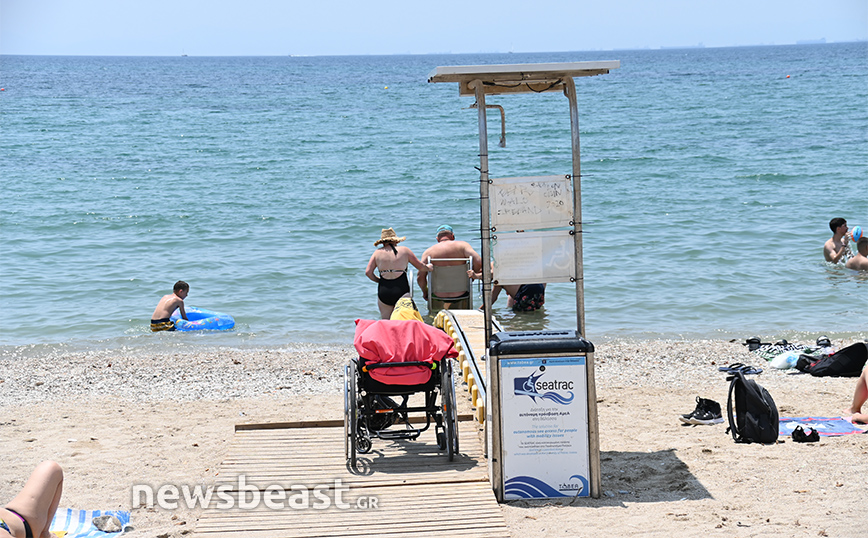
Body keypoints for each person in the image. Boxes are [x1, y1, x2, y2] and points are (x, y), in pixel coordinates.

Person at [365, 228, 432, 319]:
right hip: (401, 289)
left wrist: (380, 281)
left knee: (387, 322)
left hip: (384, 291)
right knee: (404, 321)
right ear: (396, 240)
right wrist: (428, 267)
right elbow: (420, 266)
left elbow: (368, 272)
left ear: (382, 242)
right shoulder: (405, 250)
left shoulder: (377, 253)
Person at [417, 225, 482, 301]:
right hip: (462, 294)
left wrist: (425, 292)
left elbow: (420, 277)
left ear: (437, 239)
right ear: (453, 236)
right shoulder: (463, 246)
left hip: (438, 296)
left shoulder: (429, 252)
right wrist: (472, 277)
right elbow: (478, 261)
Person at [1, 461, 64, 538]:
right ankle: (44, 534)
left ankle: (44, 533)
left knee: (52, 469)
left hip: (16, 516)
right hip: (22, 526)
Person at [468, 266, 546, 312]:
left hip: (526, 290)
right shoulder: (510, 266)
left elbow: (492, 299)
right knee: (534, 313)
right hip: (538, 286)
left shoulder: (498, 273)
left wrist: (479, 310)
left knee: (520, 316)